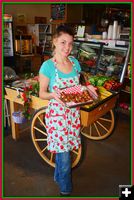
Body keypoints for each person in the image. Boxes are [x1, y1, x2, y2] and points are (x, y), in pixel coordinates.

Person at [39, 24, 97, 196]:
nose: (67, 47)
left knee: (66, 149)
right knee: (64, 155)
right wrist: (52, 95)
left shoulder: (75, 62)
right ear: (55, 41)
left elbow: (80, 84)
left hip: (73, 114)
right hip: (57, 117)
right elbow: (42, 93)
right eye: (63, 42)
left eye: (71, 43)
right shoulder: (48, 66)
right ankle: (65, 189)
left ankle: (58, 177)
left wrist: (88, 88)